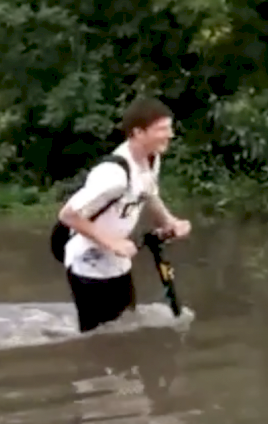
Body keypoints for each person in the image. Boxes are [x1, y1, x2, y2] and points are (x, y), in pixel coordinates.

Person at [57, 97, 192, 333]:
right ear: (138, 133)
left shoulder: (152, 158)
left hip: (117, 260)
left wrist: (169, 221)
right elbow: (68, 216)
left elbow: (149, 192)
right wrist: (112, 242)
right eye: (162, 129)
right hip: (88, 261)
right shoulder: (113, 174)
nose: (169, 135)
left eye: (170, 128)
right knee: (98, 339)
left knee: (124, 327)